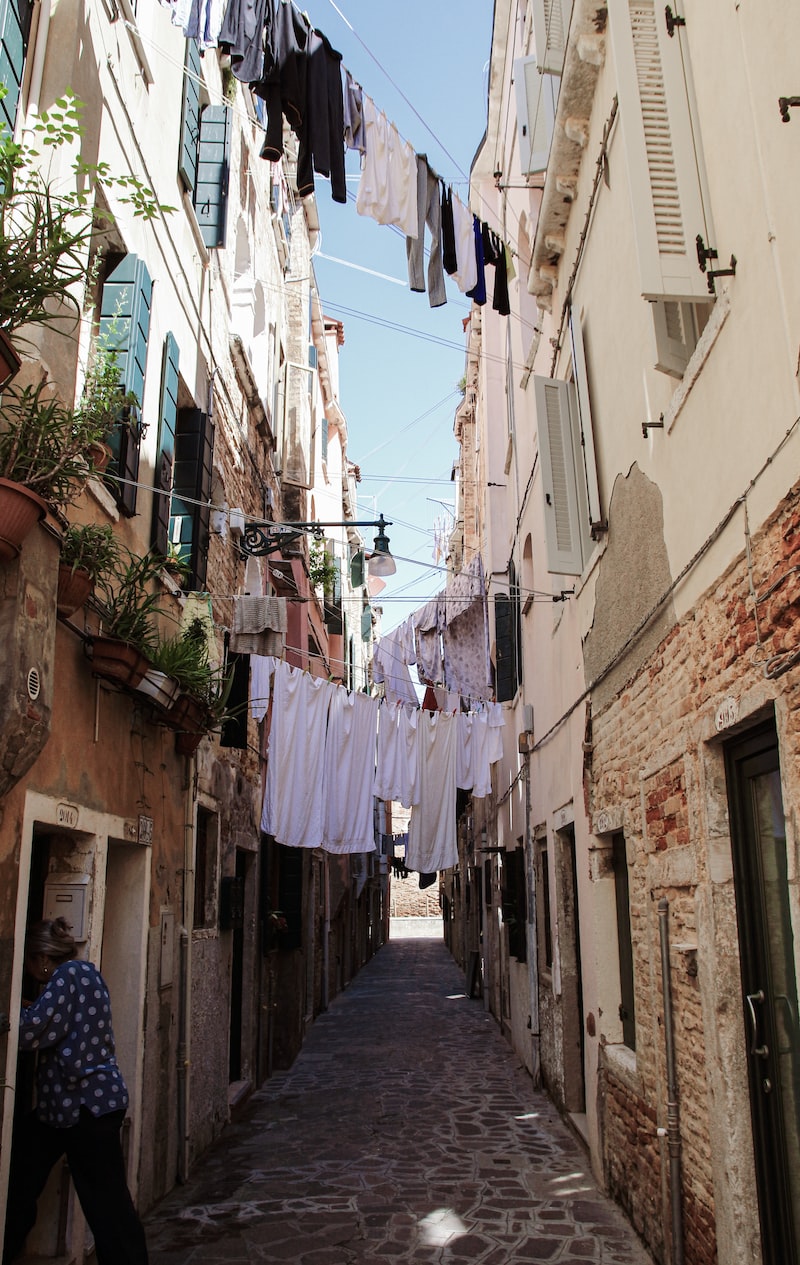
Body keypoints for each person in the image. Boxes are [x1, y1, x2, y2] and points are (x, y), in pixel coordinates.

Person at [3, 917, 149, 1265]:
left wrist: (11, 1014)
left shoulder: (63, 978)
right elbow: (57, 1021)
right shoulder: (85, 972)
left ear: (41, 959)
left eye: (27, 961)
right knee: (24, 1170)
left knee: (105, 1202)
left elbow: (32, 1032)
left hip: (83, 1107)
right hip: (69, 1108)